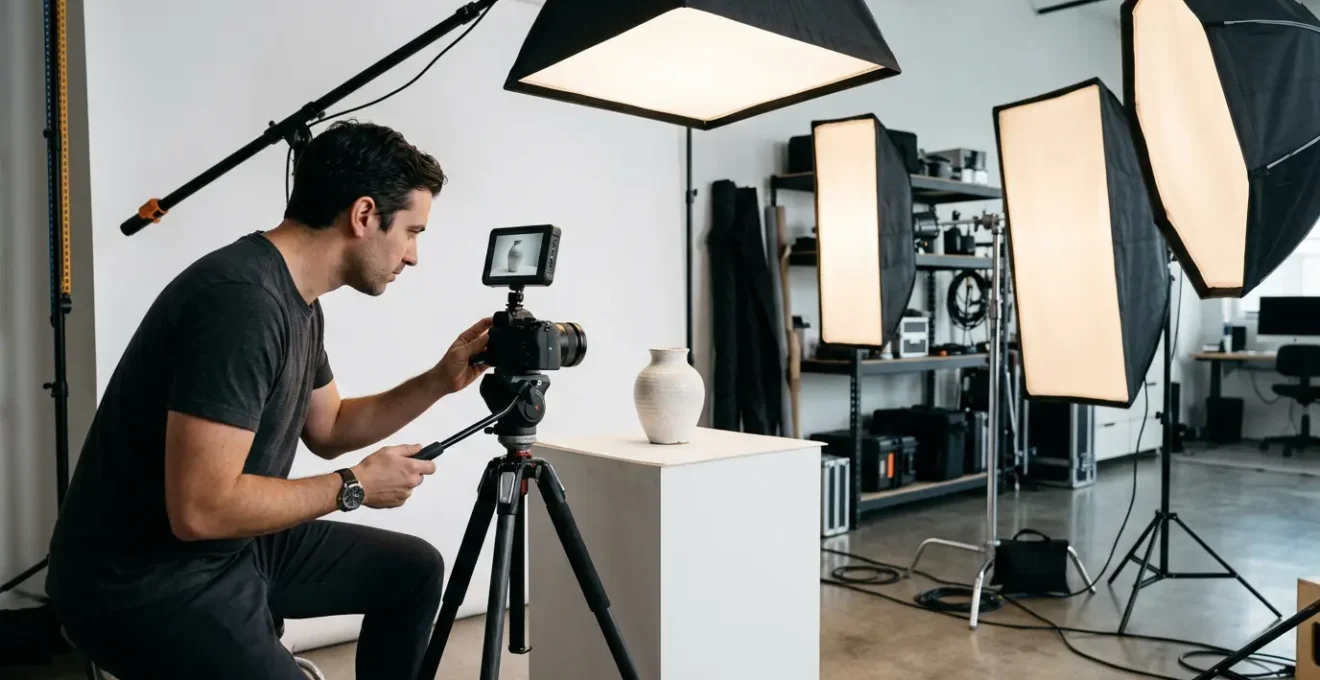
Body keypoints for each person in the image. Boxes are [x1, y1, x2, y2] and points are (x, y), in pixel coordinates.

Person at [46, 120, 486, 680]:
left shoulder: (298, 300)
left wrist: (438, 380)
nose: (414, 255)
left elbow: (328, 427)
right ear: (364, 215)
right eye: (412, 232)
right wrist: (355, 487)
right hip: (141, 582)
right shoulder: (242, 304)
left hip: (231, 549)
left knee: (415, 570)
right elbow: (200, 510)